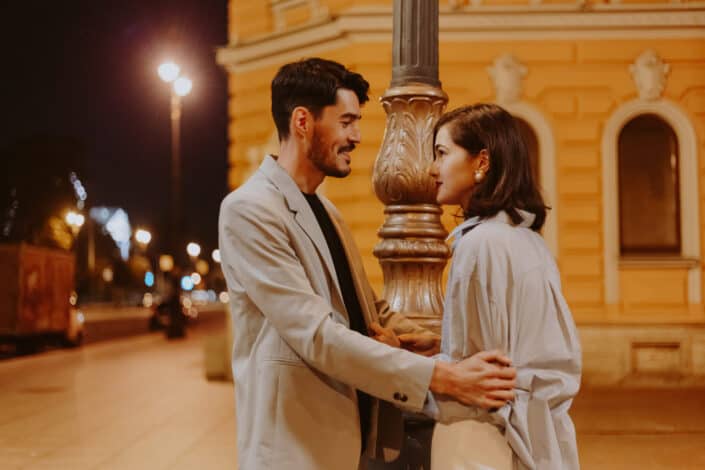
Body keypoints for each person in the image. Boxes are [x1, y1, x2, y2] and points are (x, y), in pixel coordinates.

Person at [217, 59, 517, 470]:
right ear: (303, 121)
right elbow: (318, 334)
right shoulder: (249, 210)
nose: (356, 136)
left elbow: (367, 309)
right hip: (294, 450)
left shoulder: (325, 208)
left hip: (351, 441)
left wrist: (436, 340)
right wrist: (442, 378)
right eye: (346, 122)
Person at [421, 103, 582, 469]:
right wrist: (435, 344)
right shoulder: (525, 238)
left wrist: (408, 367)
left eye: (442, 153)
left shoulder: (480, 244)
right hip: (531, 437)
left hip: (479, 442)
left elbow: (474, 372)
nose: (432, 168)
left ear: (481, 162)